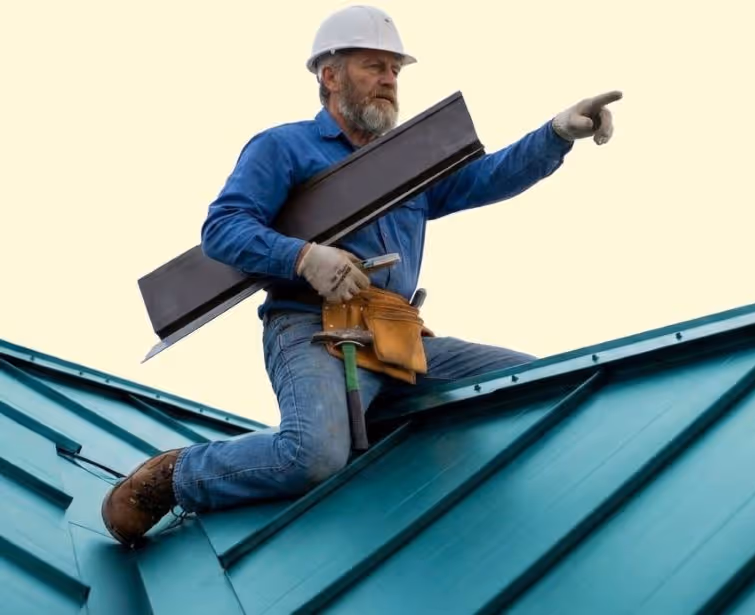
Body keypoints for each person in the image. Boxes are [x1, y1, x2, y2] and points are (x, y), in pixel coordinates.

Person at [100, 4, 622, 547]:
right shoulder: (283, 146)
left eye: (395, 70)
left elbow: (487, 176)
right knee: (312, 456)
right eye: (374, 66)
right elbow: (223, 229)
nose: (389, 81)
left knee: (541, 383)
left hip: (395, 336)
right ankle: (175, 476)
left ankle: (373, 421)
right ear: (330, 76)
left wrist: (558, 133)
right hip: (312, 330)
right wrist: (304, 258)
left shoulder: (407, 163)